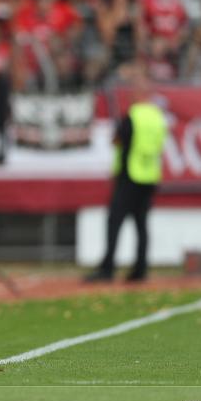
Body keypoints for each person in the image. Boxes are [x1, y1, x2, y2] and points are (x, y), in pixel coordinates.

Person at [86, 68, 167, 282]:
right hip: (149, 176)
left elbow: (118, 140)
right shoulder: (158, 117)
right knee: (141, 225)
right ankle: (140, 269)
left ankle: (108, 268)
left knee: (115, 223)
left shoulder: (133, 116)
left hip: (129, 175)